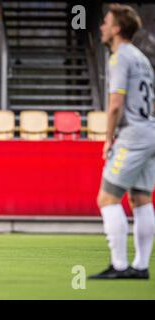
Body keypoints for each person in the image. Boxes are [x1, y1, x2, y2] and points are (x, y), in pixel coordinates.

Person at [89, 4, 155, 279]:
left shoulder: (119, 58)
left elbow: (115, 104)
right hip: (149, 131)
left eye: (106, 23)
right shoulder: (142, 57)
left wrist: (108, 139)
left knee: (107, 198)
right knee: (141, 199)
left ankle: (119, 265)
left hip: (132, 136)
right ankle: (140, 266)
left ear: (116, 28)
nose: (102, 27)